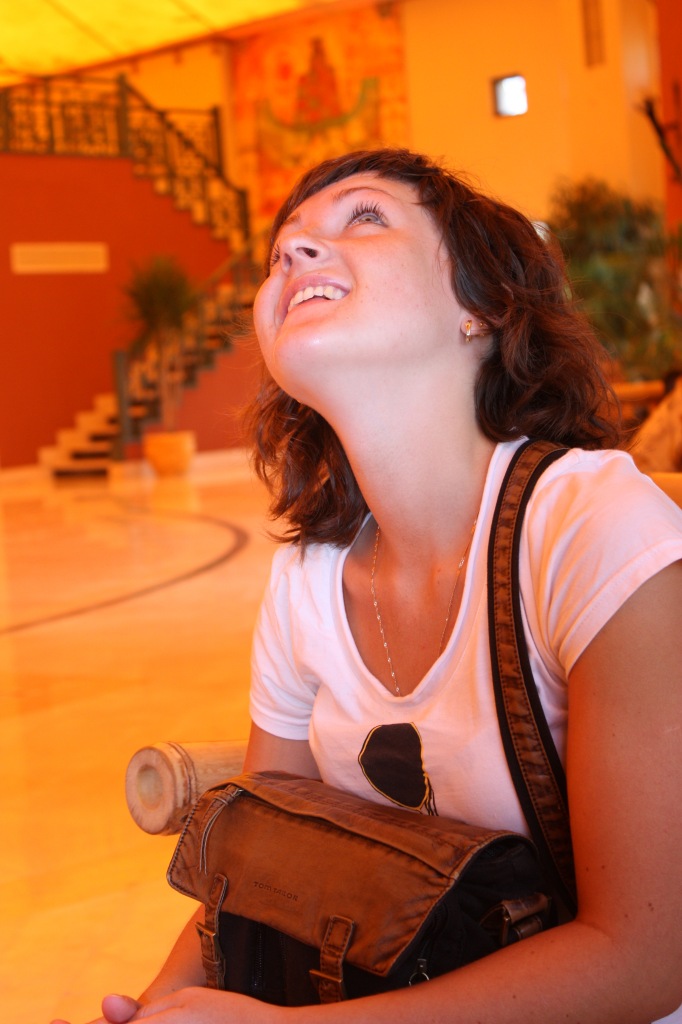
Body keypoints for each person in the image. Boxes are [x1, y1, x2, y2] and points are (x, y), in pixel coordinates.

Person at [59, 148, 682, 1024]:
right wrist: (165, 1001)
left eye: (363, 217)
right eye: (281, 248)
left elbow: (650, 957)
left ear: (479, 308)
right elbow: (262, 864)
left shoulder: (589, 526)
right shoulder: (305, 580)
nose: (293, 252)